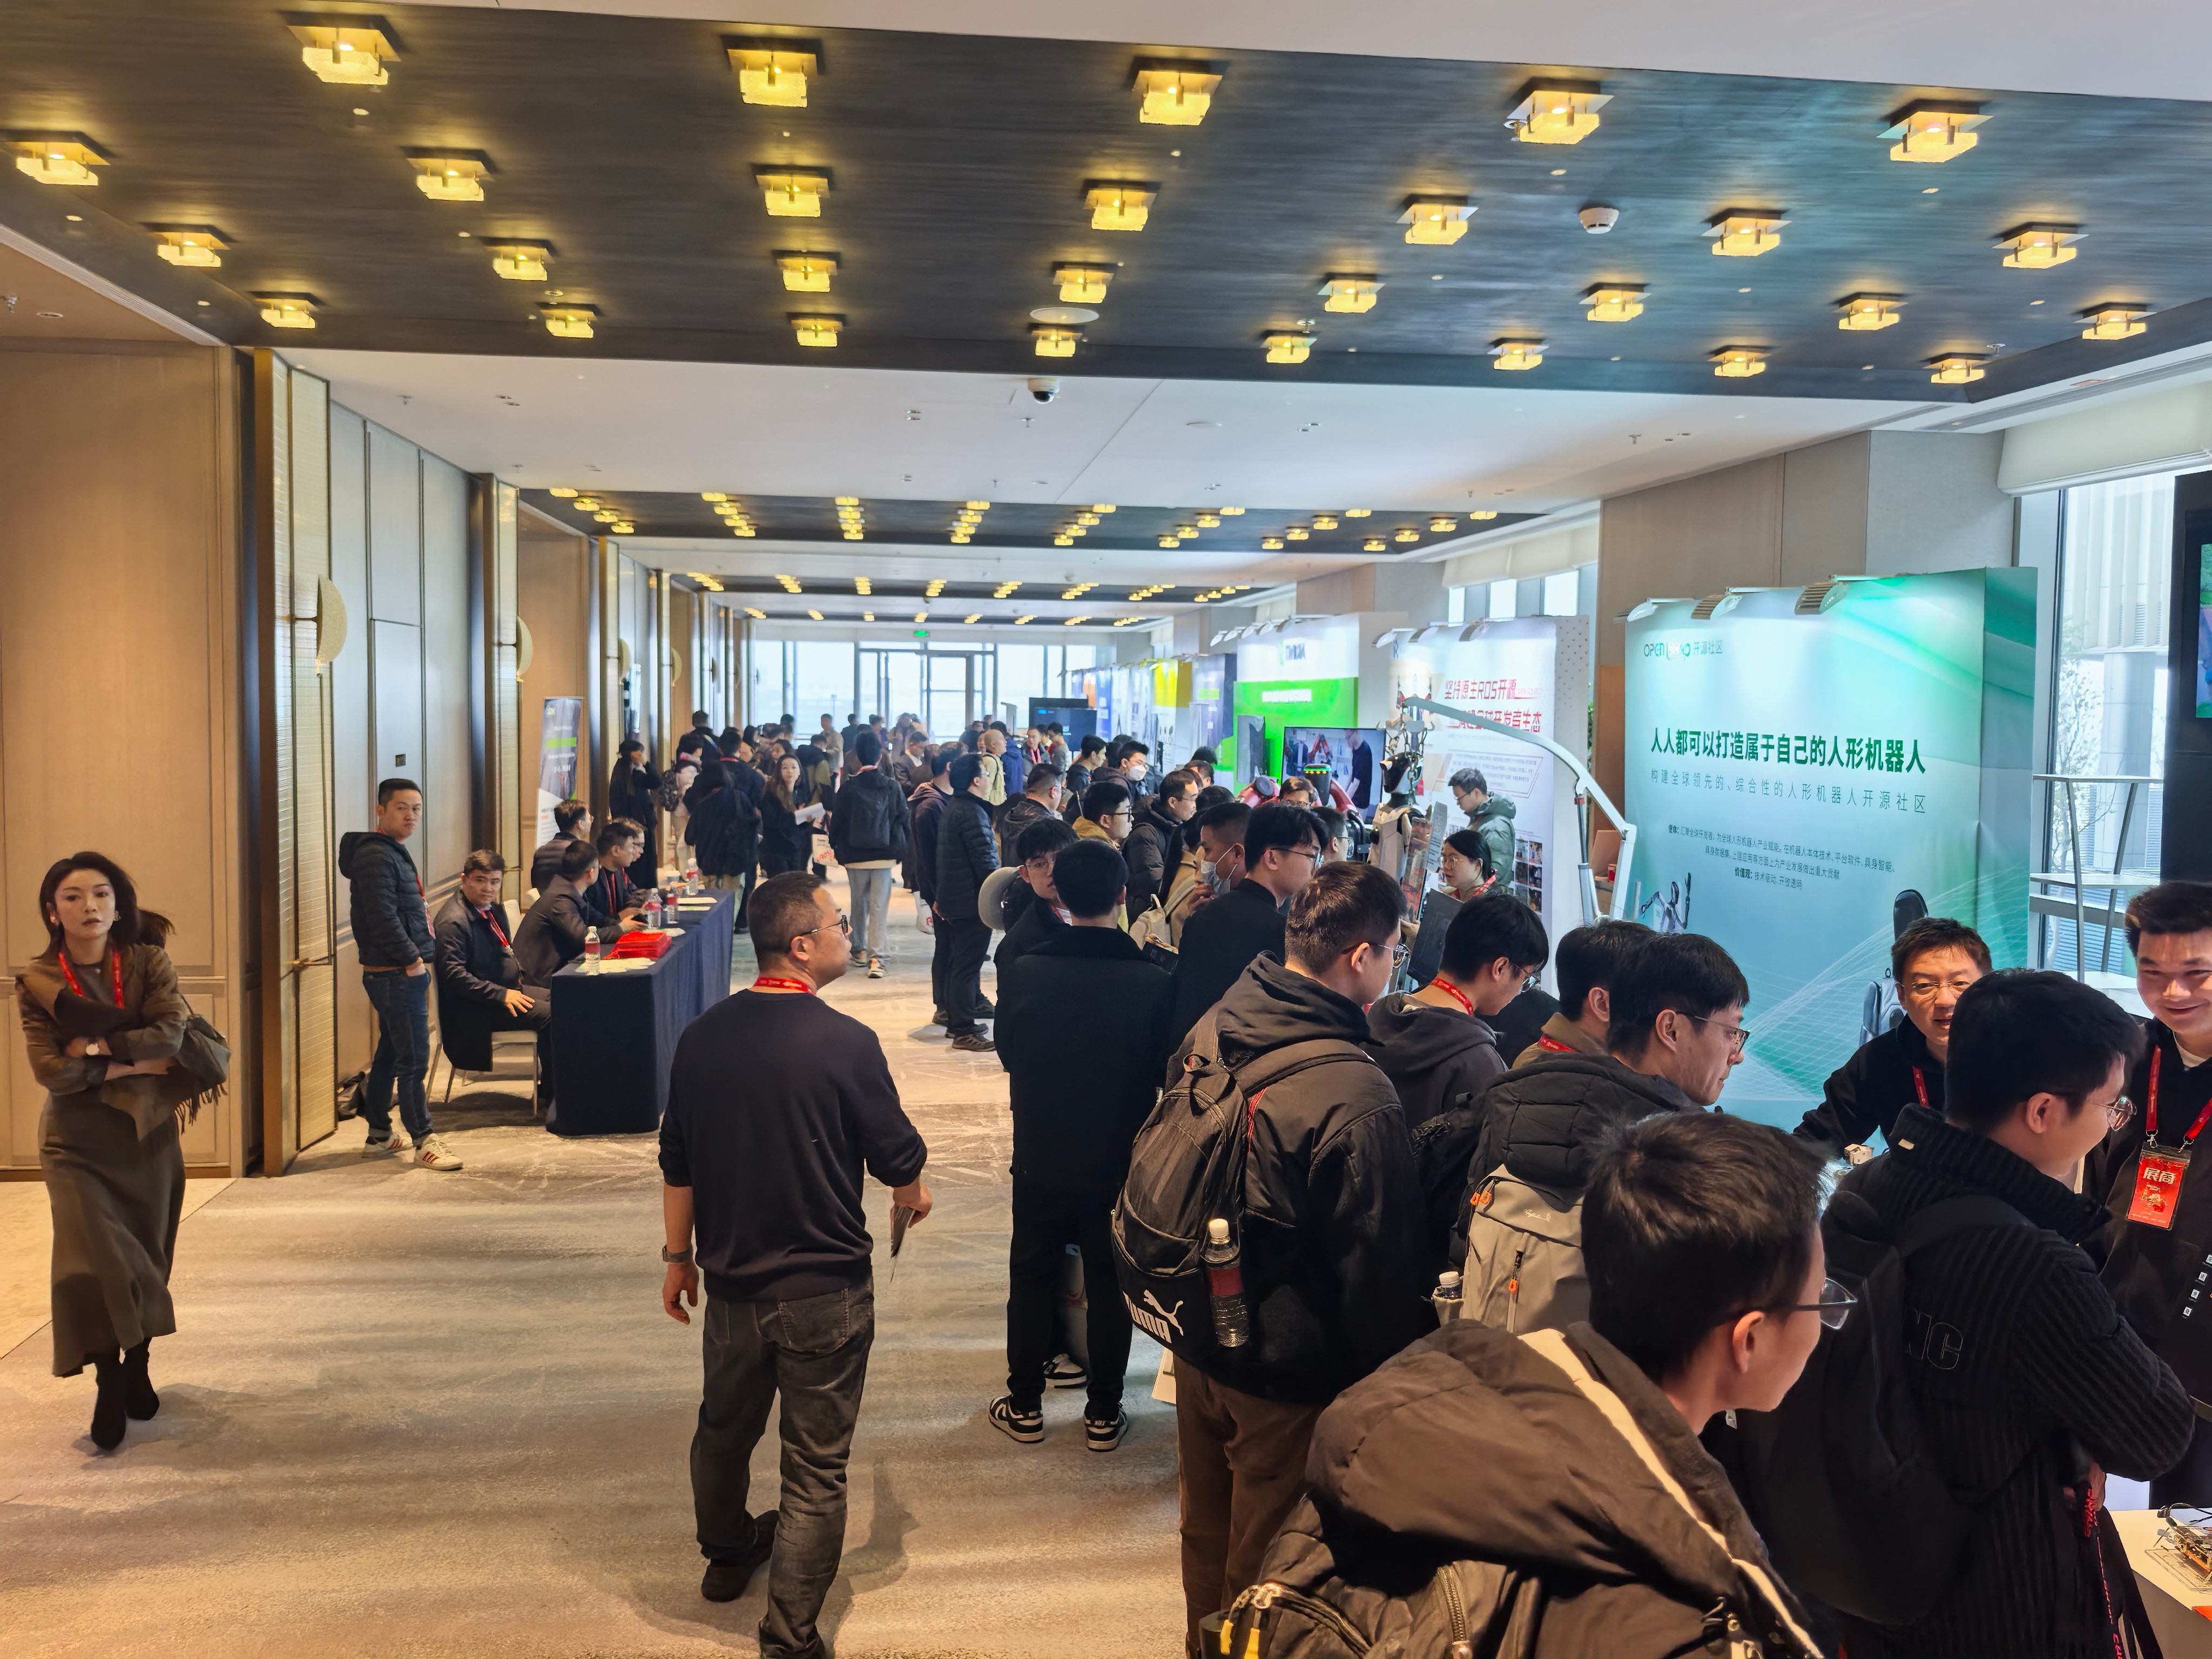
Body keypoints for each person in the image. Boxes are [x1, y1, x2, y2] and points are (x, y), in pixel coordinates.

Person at [1255, 1111, 1828, 1659]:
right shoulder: (1679, 1623)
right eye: (1820, 1300)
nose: (1826, 1319)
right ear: (1749, 1340)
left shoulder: (1438, 1390)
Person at [1844, 970, 2190, 1659]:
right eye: (2110, 1106)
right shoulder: (2030, 1264)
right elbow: (2156, 1436)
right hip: (1999, 1600)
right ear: (2041, 1112)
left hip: (1866, 1572)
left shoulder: (1866, 1187)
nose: (2111, 1124)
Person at [659, 872, 933, 1654]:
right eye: (839, 924)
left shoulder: (702, 1037)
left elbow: (677, 1163)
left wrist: (678, 1259)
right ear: (803, 946)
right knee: (815, 1468)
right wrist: (912, 1194)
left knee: (723, 1430)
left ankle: (726, 1553)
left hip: (732, 1287)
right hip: (825, 1291)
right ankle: (789, 1636)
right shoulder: (845, 1043)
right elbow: (899, 1160)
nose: (848, 934)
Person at [1166, 862, 1433, 1652]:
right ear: (1361, 956)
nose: (1394, 965)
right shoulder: (1353, 1088)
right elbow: (1379, 1267)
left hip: (1197, 1331)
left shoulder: (1218, 1021)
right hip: (1283, 1371)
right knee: (1266, 1567)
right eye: (1393, 950)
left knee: (1204, 1532)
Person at [990, 840, 1173, 1451]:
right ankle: (1103, 1412)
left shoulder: (1025, 970)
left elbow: (1010, 1052)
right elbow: (1162, 1069)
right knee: (1108, 1282)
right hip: (1117, 1158)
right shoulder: (1152, 981)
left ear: (1061, 895)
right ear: (1122, 895)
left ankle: (1024, 1405)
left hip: (1040, 1149)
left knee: (1031, 1273)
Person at [19, 853, 192, 1451]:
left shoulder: (148, 962)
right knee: (92, 1264)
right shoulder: (40, 980)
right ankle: (107, 1377)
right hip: (74, 1143)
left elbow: (170, 1035)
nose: (88, 906)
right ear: (53, 911)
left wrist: (90, 1049)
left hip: (146, 1136)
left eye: (100, 894)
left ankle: (138, 1360)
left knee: (147, 1258)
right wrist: (127, 1062)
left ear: (118, 906)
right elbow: (51, 1071)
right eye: (72, 897)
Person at [1464, 933, 1751, 1293]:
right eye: (1731, 1032)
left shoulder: (1510, 1095)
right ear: (1671, 1029)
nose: (1737, 1054)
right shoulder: (1700, 1160)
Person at [2096, 880, 2212, 1505]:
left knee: (2189, 1510)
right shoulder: (2129, 1055)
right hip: (2122, 1307)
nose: (2174, 993)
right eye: (2152, 972)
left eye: (2197, 973)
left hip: (2202, 1330)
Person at [1794, 916, 1991, 1161]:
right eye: (1924, 986)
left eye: (1959, 983)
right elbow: (1814, 1142)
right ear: (1902, 996)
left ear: (1987, 987)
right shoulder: (1879, 1060)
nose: (1944, 1000)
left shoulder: (2022, 1056)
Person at [340, 779, 463, 1170]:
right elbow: (382, 918)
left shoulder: (389, 850)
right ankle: (423, 1139)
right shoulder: (375, 855)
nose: (411, 816)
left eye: (417, 809)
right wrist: (411, 960)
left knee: (391, 1054)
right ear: (380, 811)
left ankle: (379, 1134)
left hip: (396, 971)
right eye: (401, 808)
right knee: (414, 1059)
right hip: (395, 972)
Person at [1365, 890, 1550, 1127]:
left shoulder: (1381, 1012)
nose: (1520, 991)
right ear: (1501, 968)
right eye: (1526, 978)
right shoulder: (1481, 1066)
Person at [1168, 801, 1324, 1044]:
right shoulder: (1281, 933)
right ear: (1272, 858)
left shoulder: (1203, 914)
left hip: (1187, 1055)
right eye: (1311, 856)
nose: (1315, 869)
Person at [433, 849, 553, 1115]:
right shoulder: (453, 921)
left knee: (564, 997)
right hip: (474, 1009)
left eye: (495, 882)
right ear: (464, 879)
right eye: (480, 880)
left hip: (500, 992)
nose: (488, 888)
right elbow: (454, 976)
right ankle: (553, 1096)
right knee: (550, 1016)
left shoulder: (489, 909)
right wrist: (501, 995)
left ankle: (564, 1084)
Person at [1514, 918, 1655, 1064]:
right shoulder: (1559, 1072)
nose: (1658, 1013)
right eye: (1647, 998)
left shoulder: (1589, 1063)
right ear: (1602, 1003)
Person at [828, 731, 910, 980]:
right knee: (879, 907)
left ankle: (859, 950)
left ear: (857, 757)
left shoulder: (848, 788)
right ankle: (878, 957)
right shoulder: (892, 786)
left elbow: (837, 823)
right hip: (884, 856)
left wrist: (837, 849)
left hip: (854, 856)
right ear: (880, 756)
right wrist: (902, 850)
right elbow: (902, 819)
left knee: (858, 904)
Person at [934, 751, 999, 1053]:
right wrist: (998, 892)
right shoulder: (972, 812)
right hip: (970, 902)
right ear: (976, 780)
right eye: (985, 774)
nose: (987, 779)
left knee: (960, 963)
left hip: (956, 899)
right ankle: (963, 1030)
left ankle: (957, 1022)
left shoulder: (956, 806)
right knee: (966, 966)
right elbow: (985, 861)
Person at [907, 747, 955, 1028]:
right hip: (941, 892)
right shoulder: (930, 806)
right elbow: (927, 858)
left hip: (949, 890)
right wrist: (936, 896)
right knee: (946, 947)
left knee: (953, 947)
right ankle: (944, 1007)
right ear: (950, 767)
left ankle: (956, 1002)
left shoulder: (945, 799)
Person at [995, 817, 1078, 974]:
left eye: (1059, 859)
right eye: (1040, 864)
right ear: (1025, 874)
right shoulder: (1019, 944)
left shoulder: (1099, 910)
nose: (1051, 871)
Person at [1123, 768, 1198, 919]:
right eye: (1192, 799)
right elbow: (1155, 884)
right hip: (1147, 917)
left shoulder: (1178, 827)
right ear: (1173, 802)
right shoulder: (1146, 834)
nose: (1195, 805)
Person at [1448, 767, 1516, 883]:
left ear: (1476, 793)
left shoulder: (1496, 827)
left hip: (1484, 893)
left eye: (1459, 797)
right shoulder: (1480, 818)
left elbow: (1496, 873)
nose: (1458, 803)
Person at [610, 738, 663, 888]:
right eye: (641, 754)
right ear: (634, 754)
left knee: (640, 863)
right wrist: (645, 763)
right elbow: (657, 782)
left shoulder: (626, 774)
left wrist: (645, 764)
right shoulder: (628, 776)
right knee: (640, 863)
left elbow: (656, 783)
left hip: (636, 827)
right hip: (637, 828)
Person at [759, 753, 818, 878]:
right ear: (779, 771)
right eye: (785, 767)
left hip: (796, 849)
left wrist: (808, 818)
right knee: (780, 885)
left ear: (800, 772)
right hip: (776, 849)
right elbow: (771, 822)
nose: (790, 771)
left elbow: (802, 827)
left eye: (794, 767)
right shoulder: (770, 792)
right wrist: (795, 816)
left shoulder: (801, 793)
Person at [995, 762, 1065, 867]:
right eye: (1061, 791)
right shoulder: (1047, 826)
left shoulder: (1011, 815)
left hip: (1012, 877)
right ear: (1053, 792)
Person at [581, 818, 649, 925]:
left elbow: (627, 900)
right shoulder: (591, 876)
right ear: (616, 851)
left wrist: (647, 902)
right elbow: (590, 919)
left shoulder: (618, 872)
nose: (633, 852)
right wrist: (618, 917)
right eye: (631, 847)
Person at [531, 798, 592, 892]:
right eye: (589, 819)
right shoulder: (581, 853)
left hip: (544, 900)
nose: (591, 822)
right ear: (580, 824)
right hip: (569, 900)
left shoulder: (541, 852)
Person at [1071, 777, 1132, 847]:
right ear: (1105, 821)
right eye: (1127, 813)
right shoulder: (1095, 851)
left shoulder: (1082, 838)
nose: (1132, 818)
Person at [1435, 826, 1493, 898]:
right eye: (1444, 859)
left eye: (1453, 860)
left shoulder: (1493, 903)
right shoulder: (1446, 895)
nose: (1446, 866)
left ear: (1477, 864)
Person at [1063, 734, 1107, 818]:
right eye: (1103, 754)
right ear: (1093, 755)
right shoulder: (1080, 778)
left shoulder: (1081, 773)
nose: (1104, 758)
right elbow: (1076, 806)